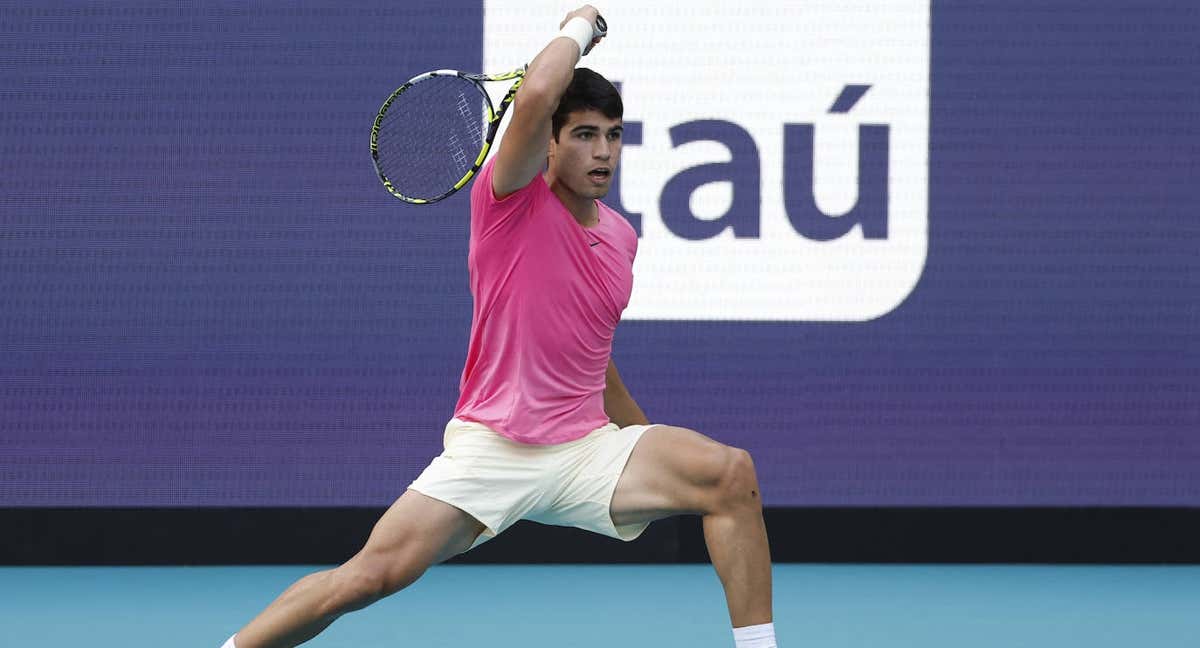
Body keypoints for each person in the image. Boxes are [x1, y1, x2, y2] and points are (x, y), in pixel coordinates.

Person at [221, 6, 776, 647]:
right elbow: (538, 92)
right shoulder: (507, 201)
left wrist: (640, 442)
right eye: (585, 135)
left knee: (729, 474)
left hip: (583, 450)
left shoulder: (621, 236)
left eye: (614, 136)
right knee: (367, 578)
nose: (603, 153)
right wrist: (580, 25)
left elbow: (594, 354)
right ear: (547, 140)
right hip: (494, 448)